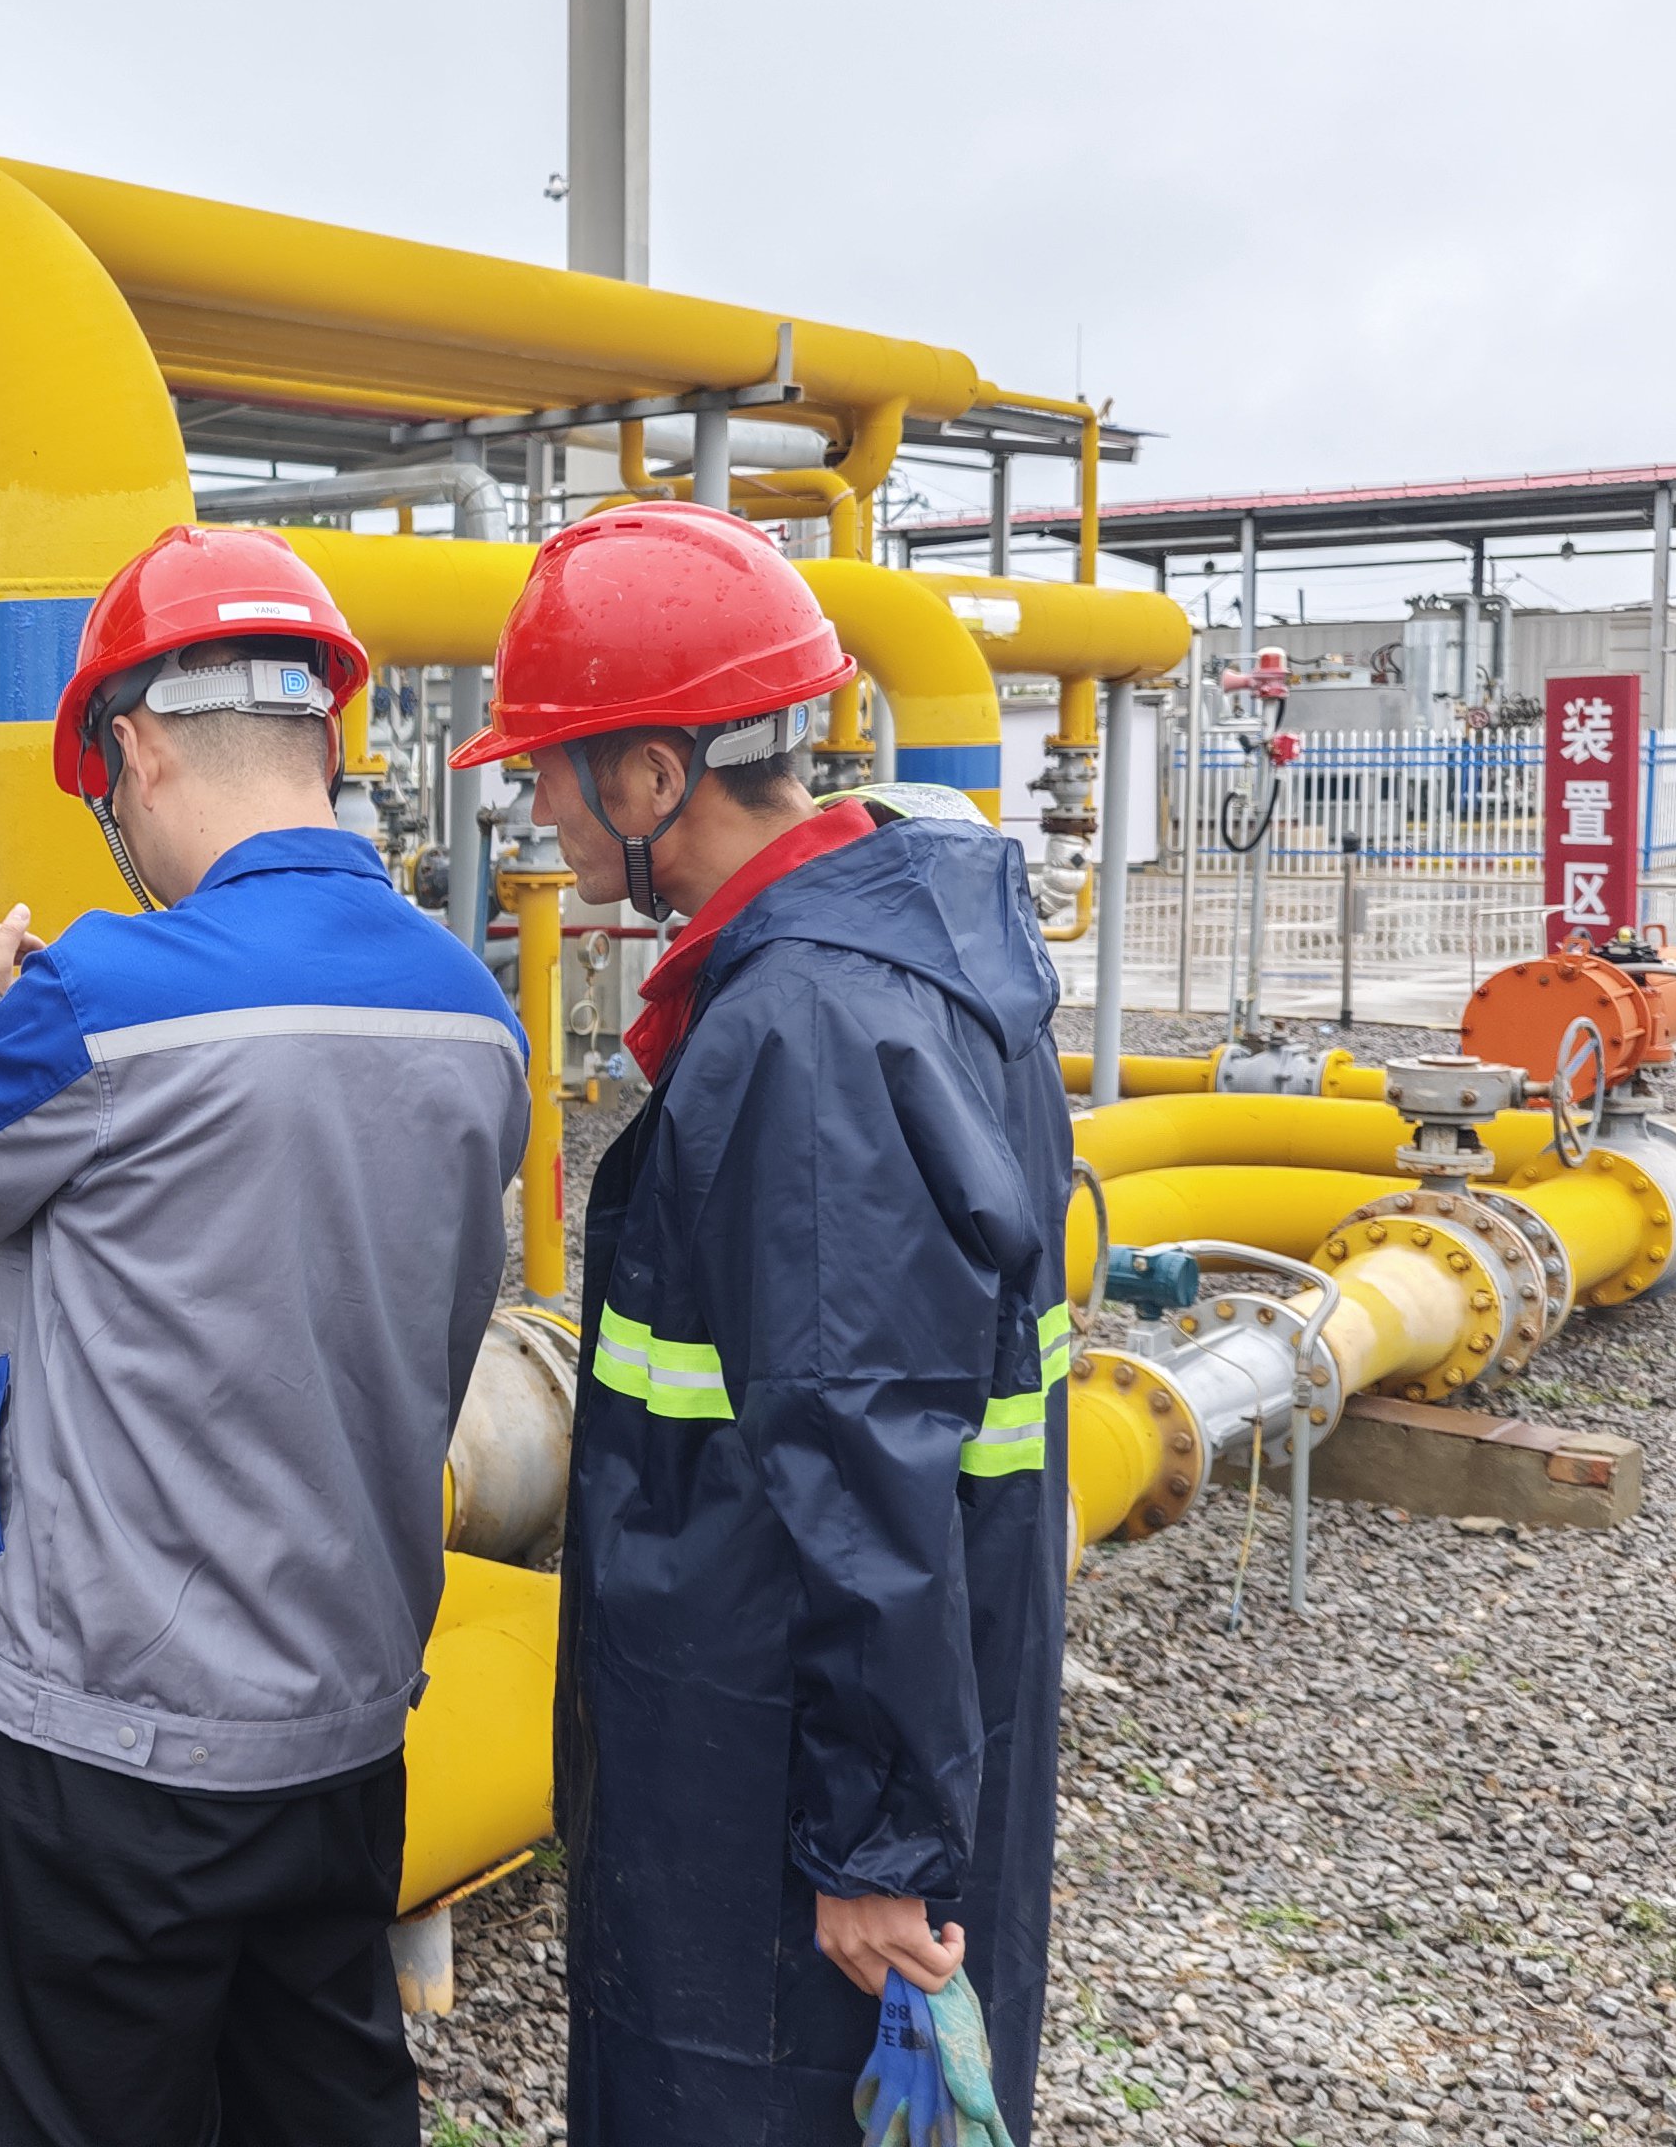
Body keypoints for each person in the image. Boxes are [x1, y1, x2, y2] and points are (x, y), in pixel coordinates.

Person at [0, 525, 529, 2147]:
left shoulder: (104, 993)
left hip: (116, 1746)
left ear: (138, 748)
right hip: (346, 1721)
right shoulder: (474, 1010)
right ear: (326, 737)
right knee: (318, 2098)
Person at [451, 499, 1070, 2144]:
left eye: (551, 771)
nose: (538, 812)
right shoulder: (905, 954)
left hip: (774, 1786)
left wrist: (877, 1851)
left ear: (654, 777)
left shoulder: (804, 1030)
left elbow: (862, 1456)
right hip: (831, 1735)